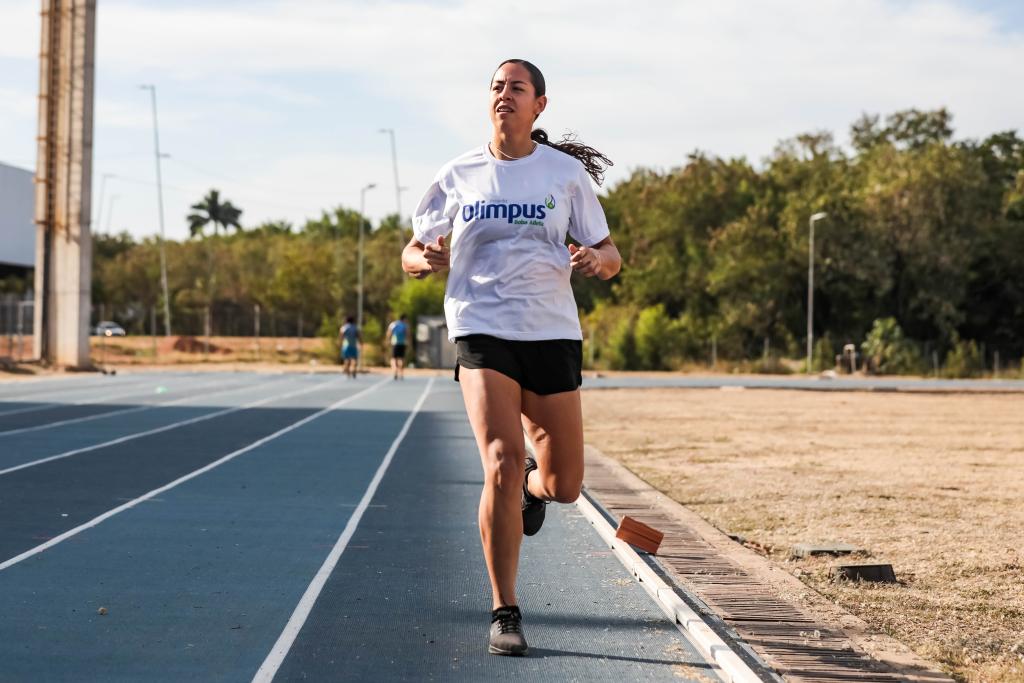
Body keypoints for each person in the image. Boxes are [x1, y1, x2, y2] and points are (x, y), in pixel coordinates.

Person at [402, 58, 621, 656]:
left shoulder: (565, 175)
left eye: (516, 88)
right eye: (497, 87)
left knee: (565, 484)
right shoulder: (459, 173)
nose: (503, 95)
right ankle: (505, 609)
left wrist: (597, 263)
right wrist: (425, 261)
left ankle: (531, 484)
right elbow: (412, 250)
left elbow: (609, 251)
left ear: (539, 105)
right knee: (498, 460)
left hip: (550, 332)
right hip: (481, 326)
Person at [386, 314, 409, 380]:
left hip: (395, 343)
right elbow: (407, 334)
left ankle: (395, 371)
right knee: (401, 359)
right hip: (402, 343)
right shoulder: (405, 325)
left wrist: (388, 340)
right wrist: (408, 342)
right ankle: (401, 373)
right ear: (404, 319)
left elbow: (389, 332)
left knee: (394, 358)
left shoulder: (393, 324)